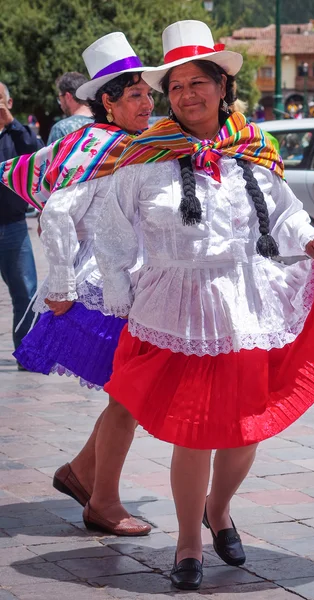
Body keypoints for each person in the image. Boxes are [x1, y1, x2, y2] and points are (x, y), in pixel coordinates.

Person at [93, 20, 314, 589]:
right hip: (175, 309)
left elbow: (285, 212)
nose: (186, 95)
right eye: (175, 86)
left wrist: (312, 239)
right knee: (193, 431)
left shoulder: (254, 149)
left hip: (244, 304)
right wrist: (120, 288)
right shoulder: (141, 157)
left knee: (244, 430)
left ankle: (219, 507)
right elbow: (110, 233)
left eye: (197, 82)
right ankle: (187, 543)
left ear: (222, 87)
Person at [1, 33, 154, 536]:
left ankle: (82, 475)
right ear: (106, 102)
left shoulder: (133, 143)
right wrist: (61, 286)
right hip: (98, 290)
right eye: (135, 95)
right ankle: (102, 500)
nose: (147, 103)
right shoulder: (96, 145)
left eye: (148, 94)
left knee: (129, 395)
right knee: (129, 396)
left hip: (127, 286)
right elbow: (61, 215)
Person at [0, 82, 43, 366]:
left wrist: (11, 124)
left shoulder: (18, 135)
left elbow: (39, 154)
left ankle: (26, 355)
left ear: (9, 102)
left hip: (13, 225)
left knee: (26, 293)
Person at [47, 72, 94, 143]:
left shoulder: (60, 129)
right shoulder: (105, 122)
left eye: (60, 98)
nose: (60, 104)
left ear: (68, 96)